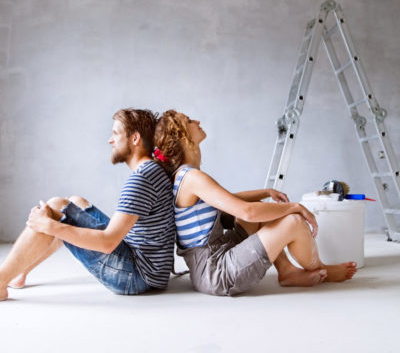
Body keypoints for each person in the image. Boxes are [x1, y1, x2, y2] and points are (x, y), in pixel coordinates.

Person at [153, 110, 357, 296]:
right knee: (292, 221)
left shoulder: (186, 177)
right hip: (216, 272)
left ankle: (287, 272)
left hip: (213, 259)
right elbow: (248, 212)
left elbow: (229, 200)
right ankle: (322, 269)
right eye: (188, 121)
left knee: (265, 212)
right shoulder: (192, 177)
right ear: (181, 137)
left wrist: (266, 192)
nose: (197, 120)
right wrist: (294, 207)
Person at [0, 108, 175, 301]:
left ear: (135, 139)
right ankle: (20, 271)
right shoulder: (152, 169)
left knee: (55, 209)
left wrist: (51, 226)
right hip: (153, 271)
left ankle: (0, 282)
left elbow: (108, 243)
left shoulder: (142, 178)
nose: (110, 140)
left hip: (137, 276)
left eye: (115, 133)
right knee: (74, 202)